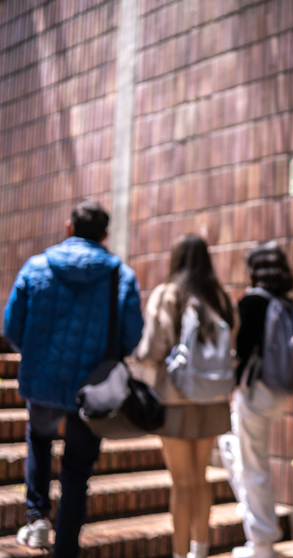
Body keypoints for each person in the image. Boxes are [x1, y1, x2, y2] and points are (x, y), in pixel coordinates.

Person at [3, 199, 144, 557]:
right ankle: (66, 548)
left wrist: (34, 352)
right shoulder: (120, 275)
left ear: (69, 228)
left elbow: (11, 327)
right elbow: (131, 336)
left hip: (44, 378)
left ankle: (37, 520)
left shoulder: (36, 267)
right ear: (105, 235)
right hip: (93, 389)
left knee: (39, 441)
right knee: (77, 470)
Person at [135, 234, 238, 558]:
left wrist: (141, 359)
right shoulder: (219, 296)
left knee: (181, 482)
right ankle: (200, 549)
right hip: (213, 398)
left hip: (176, 399)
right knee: (200, 478)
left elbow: (152, 349)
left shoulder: (168, 294)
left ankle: (180, 554)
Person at [230, 241, 293, 558]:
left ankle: (261, 544)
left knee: (251, 467)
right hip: (277, 392)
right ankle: (261, 536)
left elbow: (240, 351)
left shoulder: (253, 302)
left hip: (253, 392)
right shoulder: (285, 302)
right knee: (245, 459)